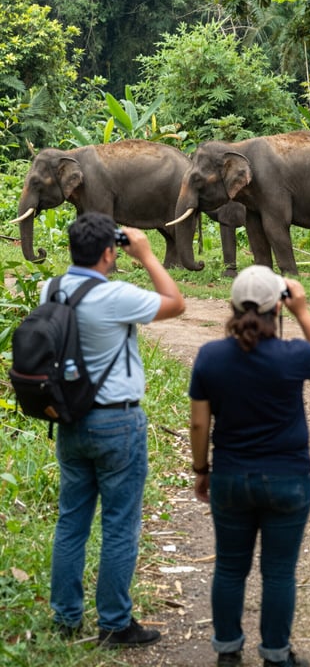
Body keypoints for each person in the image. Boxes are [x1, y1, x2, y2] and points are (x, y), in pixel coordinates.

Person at [46, 212, 185, 646]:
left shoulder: (51, 290)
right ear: (110, 252)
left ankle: (66, 619)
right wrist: (145, 255)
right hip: (117, 421)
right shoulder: (116, 296)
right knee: (120, 524)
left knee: (71, 522)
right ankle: (114, 623)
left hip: (69, 420)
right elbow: (176, 302)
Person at [189, 265, 310, 667]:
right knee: (278, 572)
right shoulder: (293, 355)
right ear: (279, 306)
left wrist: (202, 468)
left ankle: (227, 651)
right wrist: (303, 312)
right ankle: (275, 654)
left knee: (229, 567)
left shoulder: (210, 357)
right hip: (288, 478)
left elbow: (199, 422)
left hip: (231, 475)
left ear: (233, 306)